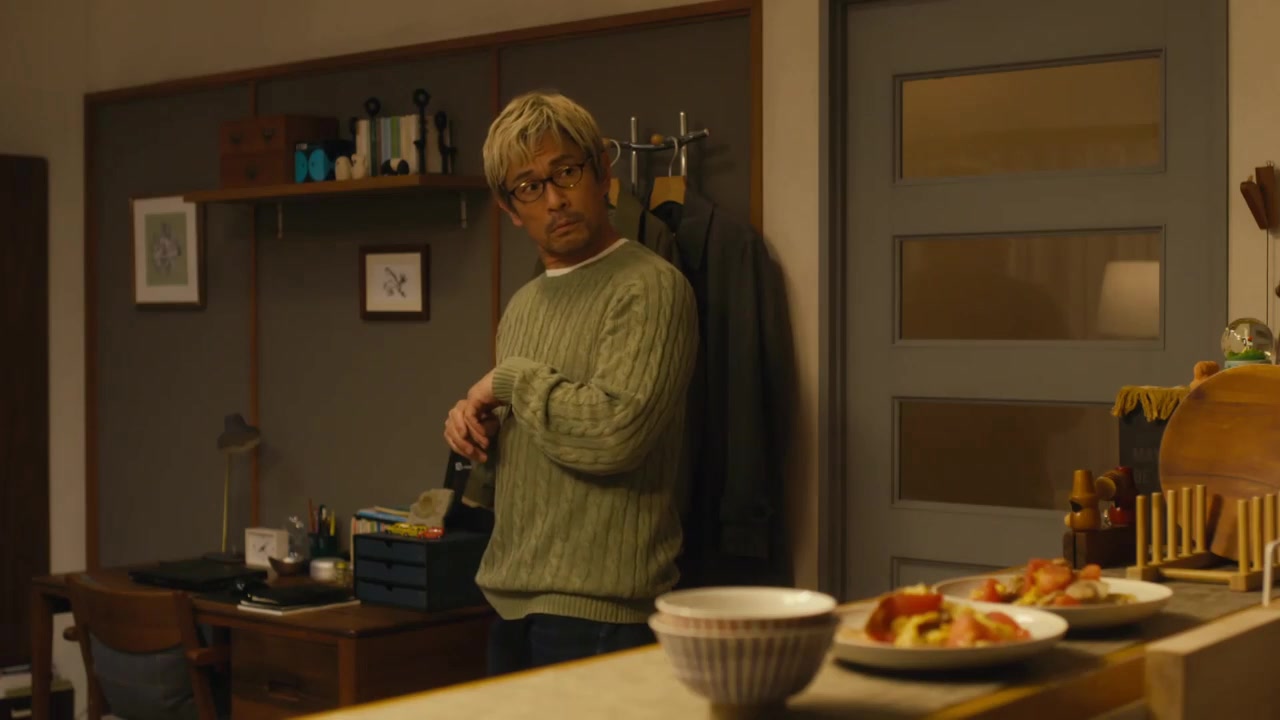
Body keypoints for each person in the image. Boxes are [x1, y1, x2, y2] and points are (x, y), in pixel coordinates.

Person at [443, 91, 698, 676]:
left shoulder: (651, 287)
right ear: (510, 207)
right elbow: (532, 441)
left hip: (603, 611)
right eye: (529, 186)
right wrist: (474, 428)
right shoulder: (524, 304)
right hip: (510, 599)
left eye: (566, 173)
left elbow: (615, 435)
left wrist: (510, 380)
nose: (554, 199)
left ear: (602, 172)